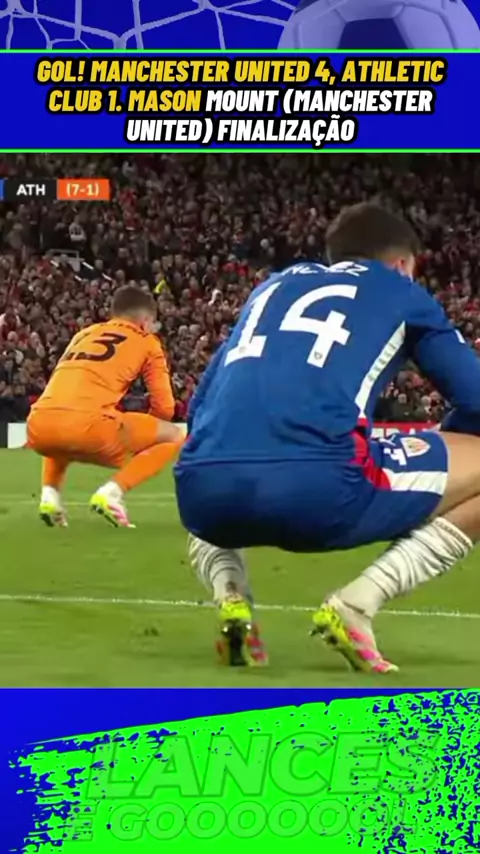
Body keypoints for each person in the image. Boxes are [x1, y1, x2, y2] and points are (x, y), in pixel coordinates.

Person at [174, 201, 480, 673]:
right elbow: (476, 398)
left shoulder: (271, 287)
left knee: (217, 465)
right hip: (318, 490)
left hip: (202, 495)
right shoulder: (400, 291)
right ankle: (357, 604)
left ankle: (230, 592)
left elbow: (199, 412)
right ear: (402, 264)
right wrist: (448, 438)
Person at [28, 285, 184, 529]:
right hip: (91, 428)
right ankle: (112, 494)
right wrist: (145, 440)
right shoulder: (146, 341)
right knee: (174, 435)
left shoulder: (84, 334)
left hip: (39, 425)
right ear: (145, 321)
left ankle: (50, 496)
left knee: (65, 411)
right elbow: (165, 408)